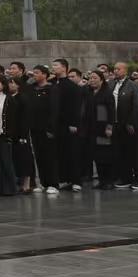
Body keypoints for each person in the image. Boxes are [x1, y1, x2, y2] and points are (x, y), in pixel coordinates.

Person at [27, 65, 59, 194]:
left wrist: (51, 128)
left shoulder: (52, 88)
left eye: (37, 73)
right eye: (34, 72)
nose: (34, 75)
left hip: (47, 127)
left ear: (45, 74)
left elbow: (54, 109)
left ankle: (53, 183)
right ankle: (44, 182)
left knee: (49, 156)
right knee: (39, 155)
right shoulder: (31, 88)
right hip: (35, 127)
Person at [110, 62, 138, 189]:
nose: (115, 71)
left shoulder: (132, 86)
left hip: (128, 124)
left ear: (125, 70)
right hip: (115, 124)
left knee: (133, 152)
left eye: (118, 69)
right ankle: (125, 177)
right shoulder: (111, 84)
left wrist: (131, 122)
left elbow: (137, 105)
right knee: (120, 152)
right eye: (114, 69)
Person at [51, 59, 81, 192]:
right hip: (56, 124)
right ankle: (64, 179)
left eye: (56, 65)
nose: (53, 67)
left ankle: (76, 181)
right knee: (60, 153)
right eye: (52, 65)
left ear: (64, 68)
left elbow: (75, 106)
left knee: (72, 153)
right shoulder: (53, 83)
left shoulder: (71, 86)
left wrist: (74, 123)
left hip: (69, 125)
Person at [84, 70, 117, 189]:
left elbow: (111, 112)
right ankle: (101, 180)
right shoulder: (89, 92)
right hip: (92, 128)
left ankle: (109, 181)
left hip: (103, 129)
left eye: (95, 78)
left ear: (101, 80)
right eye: (90, 78)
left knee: (105, 155)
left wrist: (109, 127)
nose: (92, 80)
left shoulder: (107, 94)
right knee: (96, 155)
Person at [5, 75, 35, 194]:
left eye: (13, 83)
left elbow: (25, 118)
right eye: (9, 83)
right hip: (10, 132)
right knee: (13, 159)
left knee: (24, 158)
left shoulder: (23, 98)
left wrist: (23, 135)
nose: (10, 85)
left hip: (21, 133)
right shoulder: (7, 98)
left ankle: (27, 184)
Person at [0, 75, 17, 196]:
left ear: (4, 84)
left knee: (6, 162)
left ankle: (10, 188)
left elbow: (13, 117)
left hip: (4, 133)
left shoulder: (9, 98)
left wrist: (10, 132)